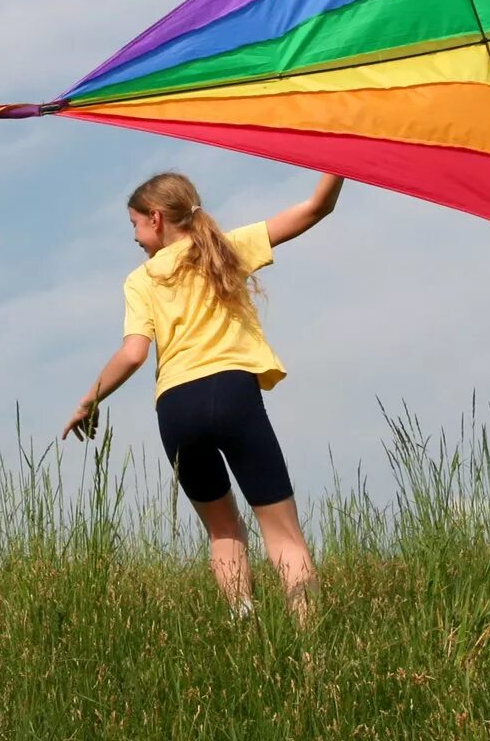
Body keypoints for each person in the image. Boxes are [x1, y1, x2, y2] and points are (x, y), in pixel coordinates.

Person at [63, 170, 343, 621]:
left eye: (134, 224)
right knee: (284, 535)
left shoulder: (140, 280)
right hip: (232, 392)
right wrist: (338, 160)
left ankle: (244, 628)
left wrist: (88, 400)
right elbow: (316, 208)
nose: (134, 236)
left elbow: (134, 354)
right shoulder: (226, 247)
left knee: (223, 532)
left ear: (155, 218)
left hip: (176, 406)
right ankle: (311, 649)